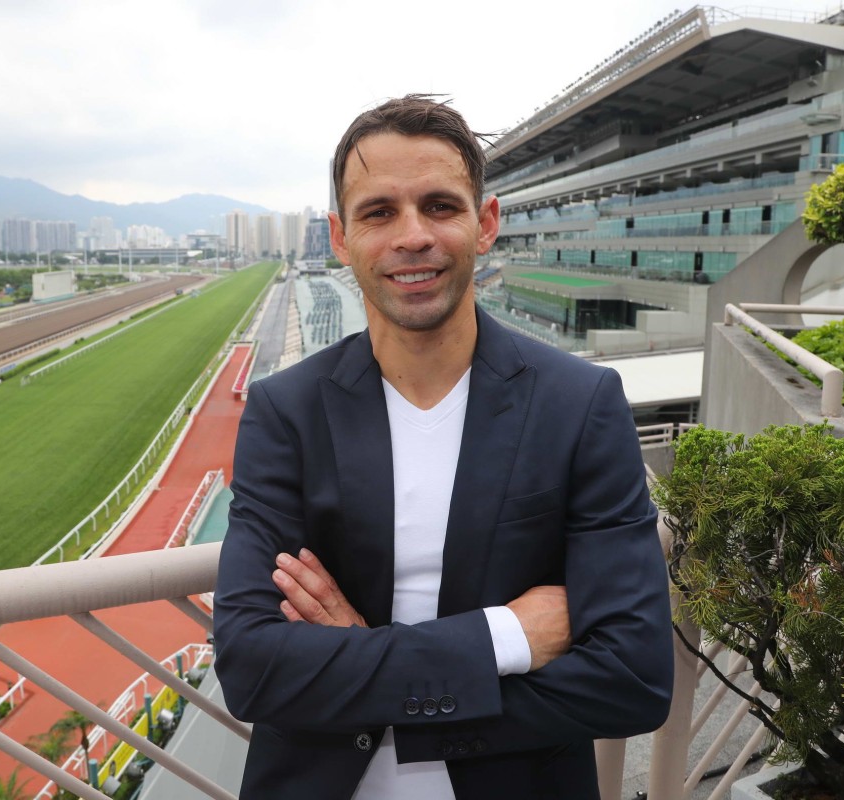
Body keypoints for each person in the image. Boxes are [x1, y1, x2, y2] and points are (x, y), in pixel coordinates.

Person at [213, 95, 673, 799]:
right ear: (339, 238)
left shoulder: (579, 404)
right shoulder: (287, 411)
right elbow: (252, 666)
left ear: (484, 224)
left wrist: (363, 667)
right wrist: (505, 639)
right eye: (378, 213)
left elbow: (632, 680)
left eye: (439, 206)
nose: (412, 236)